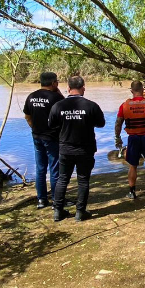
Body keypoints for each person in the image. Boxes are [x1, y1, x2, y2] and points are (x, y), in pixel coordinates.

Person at [47, 76, 106, 222]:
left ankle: (58, 211)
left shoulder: (58, 106)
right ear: (83, 88)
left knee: (62, 179)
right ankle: (80, 212)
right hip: (85, 150)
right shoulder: (91, 106)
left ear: (68, 89)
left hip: (65, 149)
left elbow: (51, 125)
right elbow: (101, 123)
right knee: (83, 180)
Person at [23, 72, 64, 209]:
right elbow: (65, 108)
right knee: (54, 169)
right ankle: (56, 200)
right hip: (52, 137)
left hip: (36, 136)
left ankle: (41, 200)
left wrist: (35, 128)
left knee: (40, 168)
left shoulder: (31, 96)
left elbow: (27, 116)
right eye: (56, 82)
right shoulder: (56, 97)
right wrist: (58, 92)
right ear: (53, 83)